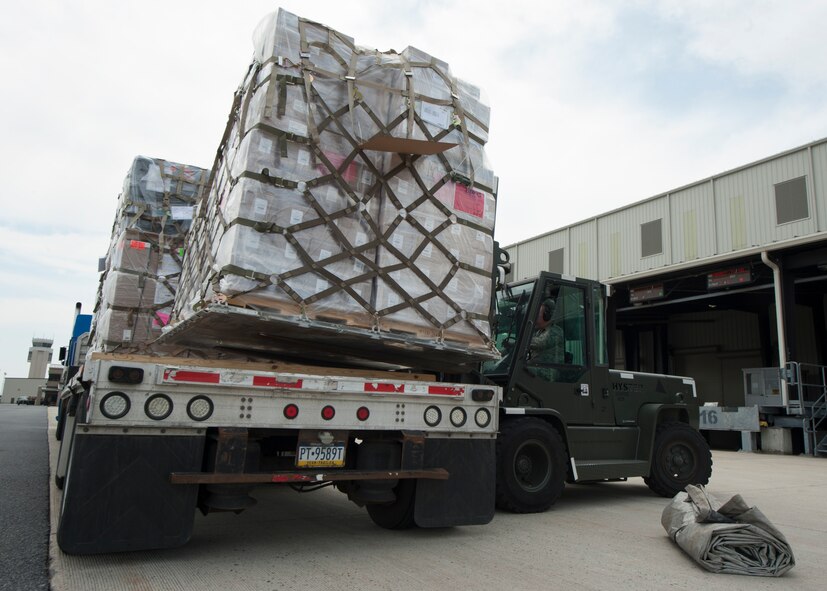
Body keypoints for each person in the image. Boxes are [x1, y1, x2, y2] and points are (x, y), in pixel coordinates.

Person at [529, 298, 565, 366]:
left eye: (537, 314)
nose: (534, 318)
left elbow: (540, 343)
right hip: (536, 368)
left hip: (549, 371)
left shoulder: (556, 331)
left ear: (547, 315)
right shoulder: (538, 332)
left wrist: (520, 343)